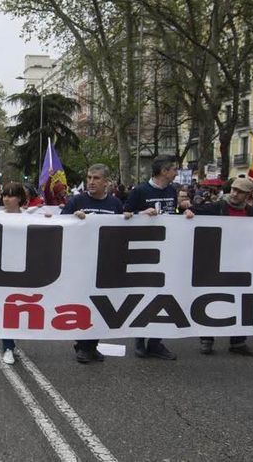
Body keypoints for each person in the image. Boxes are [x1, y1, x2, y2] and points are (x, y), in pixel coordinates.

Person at [185, 177, 253, 357]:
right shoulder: (216, 207)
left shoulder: (251, 212)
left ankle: (238, 342)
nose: (234, 194)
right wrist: (188, 211)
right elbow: (191, 211)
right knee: (211, 298)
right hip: (215, 261)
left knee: (241, 301)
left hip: (240, 262)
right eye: (233, 189)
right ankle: (207, 339)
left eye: (240, 192)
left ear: (248, 195)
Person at [61, 164, 124, 363]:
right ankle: (83, 346)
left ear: (106, 182)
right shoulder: (77, 201)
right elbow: (61, 225)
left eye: (96, 178)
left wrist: (129, 218)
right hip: (81, 263)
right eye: (89, 177)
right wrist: (74, 218)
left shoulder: (115, 204)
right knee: (84, 304)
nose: (91, 182)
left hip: (105, 261)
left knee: (101, 306)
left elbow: (122, 229)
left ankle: (92, 344)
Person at [124, 155, 179, 360]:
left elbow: (172, 215)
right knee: (144, 296)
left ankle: (155, 342)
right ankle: (139, 340)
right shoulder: (139, 191)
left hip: (167, 251)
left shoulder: (172, 191)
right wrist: (141, 214)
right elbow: (124, 215)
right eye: (174, 169)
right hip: (144, 252)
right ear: (164, 171)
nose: (176, 173)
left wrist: (186, 214)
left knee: (164, 297)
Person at [0, 182, 30, 364]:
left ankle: (11, 343)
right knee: (7, 307)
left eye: (10, 195)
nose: (6, 199)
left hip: (24, 268)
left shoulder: (29, 217)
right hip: (2, 269)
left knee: (20, 308)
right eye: (4, 195)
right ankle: (8, 346)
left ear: (19, 198)